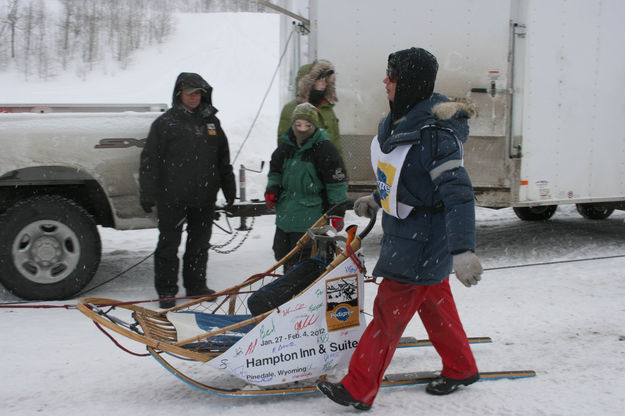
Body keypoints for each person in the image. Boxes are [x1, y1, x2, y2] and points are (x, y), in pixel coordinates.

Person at [316, 47, 484, 410]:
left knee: (388, 312)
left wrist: (463, 250)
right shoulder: (401, 122)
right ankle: (461, 367)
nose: (385, 81)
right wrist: (378, 198)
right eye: (387, 74)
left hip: (423, 240)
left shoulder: (435, 135)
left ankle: (358, 388)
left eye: (392, 76)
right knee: (435, 302)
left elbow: (458, 194)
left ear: (409, 83)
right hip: (408, 232)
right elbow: (406, 176)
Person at [139, 72, 236, 309]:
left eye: (198, 93)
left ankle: (196, 286)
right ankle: (166, 291)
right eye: (190, 93)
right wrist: (148, 193)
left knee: (199, 244)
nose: (194, 98)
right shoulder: (165, 123)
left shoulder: (211, 122)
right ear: (179, 94)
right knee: (168, 245)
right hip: (172, 197)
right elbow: (150, 161)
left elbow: (223, 159)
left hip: (204, 197)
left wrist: (229, 189)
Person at [266, 102, 348, 269]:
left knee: (302, 260)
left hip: (311, 216)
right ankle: (290, 286)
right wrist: (272, 188)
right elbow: (275, 171)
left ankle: (300, 289)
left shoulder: (324, 149)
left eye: (307, 125)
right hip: (286, 213)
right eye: (298, 125)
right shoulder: (286, 146)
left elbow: (336, 184)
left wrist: (337, 212)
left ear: (314, 126)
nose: (302, 129)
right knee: (282, 253)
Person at [277, 60, 344, 159]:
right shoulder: (292, 109)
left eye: (326, 80)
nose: (324, 84)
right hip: (303, 171)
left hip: (328, 171)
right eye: (320, 80)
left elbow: (337, 146)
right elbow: (284, 147)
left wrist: (342, 172)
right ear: (309, 82)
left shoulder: (327, 110)